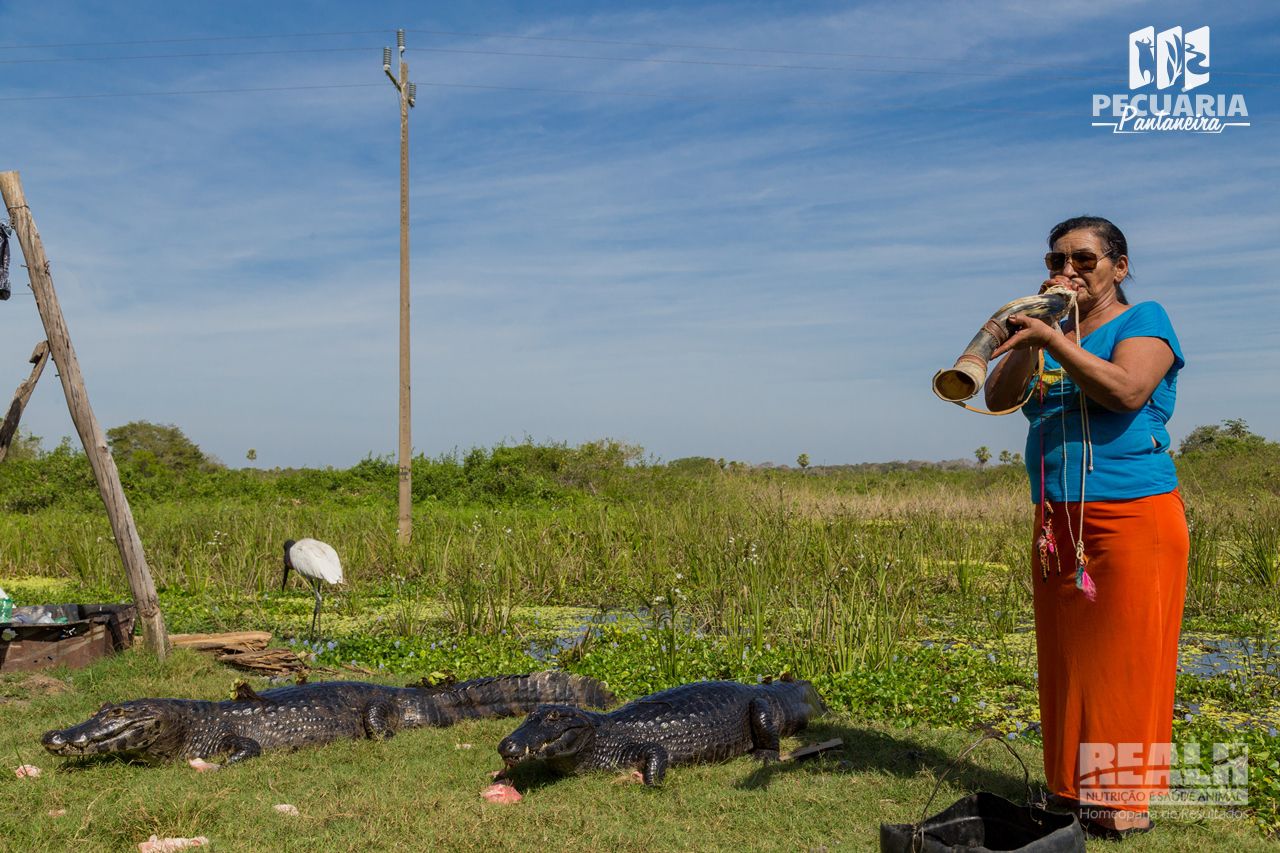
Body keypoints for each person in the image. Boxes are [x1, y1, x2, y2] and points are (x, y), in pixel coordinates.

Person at [984, 216, 1188, 839]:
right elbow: (997, 398)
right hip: (1056, 518)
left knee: (1126, 658)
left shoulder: (1143, 319)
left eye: (1083, 259)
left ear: (1118, 267)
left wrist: (1055, 341)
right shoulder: (1050, 332)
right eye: (1056, 259)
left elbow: (1126, 391)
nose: (1067, 270)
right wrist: (1027, 340)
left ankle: (1123, 800)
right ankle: (1070, 789)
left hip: (1132, 513)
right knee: (1068, 658)